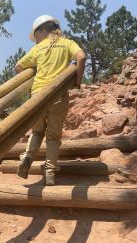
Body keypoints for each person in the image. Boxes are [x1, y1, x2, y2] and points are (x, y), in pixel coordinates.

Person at [15, 15, 86, 185]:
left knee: (37, 131)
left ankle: (28, 157)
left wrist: (33, 72)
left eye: (36, 35)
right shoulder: (66, 42)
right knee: (53, 137)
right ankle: (50, 172)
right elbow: (81, 57)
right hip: (58, 95)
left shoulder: (38, 48)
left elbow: (18, 67)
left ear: (42, 29)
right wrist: (78, 81)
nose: (35, 39)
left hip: (37, 97)